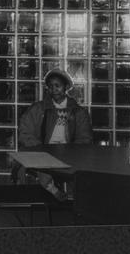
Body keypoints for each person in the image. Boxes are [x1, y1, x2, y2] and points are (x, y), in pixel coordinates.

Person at [17, 68, 93, 200]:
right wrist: (39, 147)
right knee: (42, 160)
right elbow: (24, 131)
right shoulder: (38, 108)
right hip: (44, 150)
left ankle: (78, 199)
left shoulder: (78, 112)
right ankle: (52, 189)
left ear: (66, 87)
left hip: (69, 152)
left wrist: (73, 151)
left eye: (57, 85)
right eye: (50, 86)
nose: (54, 89)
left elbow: (85, 138)